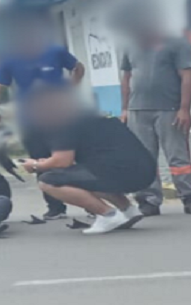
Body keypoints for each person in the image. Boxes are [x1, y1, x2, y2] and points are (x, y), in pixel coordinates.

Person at [0, 7, 85, 221]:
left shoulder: (54, 51)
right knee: (38, 160)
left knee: (69, 158)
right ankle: (55, 207)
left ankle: (89, 203)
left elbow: (78, 68)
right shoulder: (9, 59)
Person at [115, 0, 191, 217]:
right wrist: (125, 108)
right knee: (144, 158)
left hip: (169, 110)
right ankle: (149, 200)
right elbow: (127, 78)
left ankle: (190, 198)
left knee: (178, 157)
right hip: (138, 111)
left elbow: (187, 76)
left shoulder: (177, 42)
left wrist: (184, 108)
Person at [22, 89, 157, 236]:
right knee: (86, 174)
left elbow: (62, 162)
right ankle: (128, 210)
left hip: (119, 173)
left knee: (48, 181)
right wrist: (50, 161)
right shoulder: (100, 116)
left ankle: (108, 215)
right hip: (145, 171)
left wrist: (35, 165)